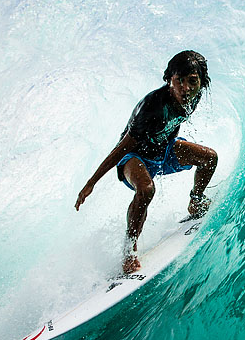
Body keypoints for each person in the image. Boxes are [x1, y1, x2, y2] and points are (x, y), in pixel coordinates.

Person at [74, 50, 218, 274]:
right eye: (178, 81)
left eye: (192, 81)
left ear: (201, 82)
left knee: (209, 158)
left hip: (164, 149)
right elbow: (121, 147)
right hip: (134, 156)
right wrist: (91, 182)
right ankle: (129, 250)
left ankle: (196, 201)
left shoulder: (195, 95)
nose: (185, 89)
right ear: (168, 79)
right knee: (146, 189)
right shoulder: (152, 106)